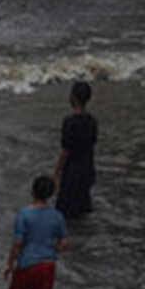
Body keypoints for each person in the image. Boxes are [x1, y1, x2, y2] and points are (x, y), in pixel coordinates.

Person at [3, 176, 69, 289]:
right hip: (48, 266)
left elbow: (18, 243)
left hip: (27, 264)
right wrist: (51, 251)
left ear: (32, 192)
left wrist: (9, 264)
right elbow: (63, 243)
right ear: (51, 194)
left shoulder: (24, 214)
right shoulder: (58, 216)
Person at [53, 80, 98, 219]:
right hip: (87, 168)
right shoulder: (92, 121)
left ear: (72, 97)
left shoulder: (69, 122)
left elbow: (66, 150)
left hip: (72, 171)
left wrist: (56, 173)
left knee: (65, 211)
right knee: (83, 208)